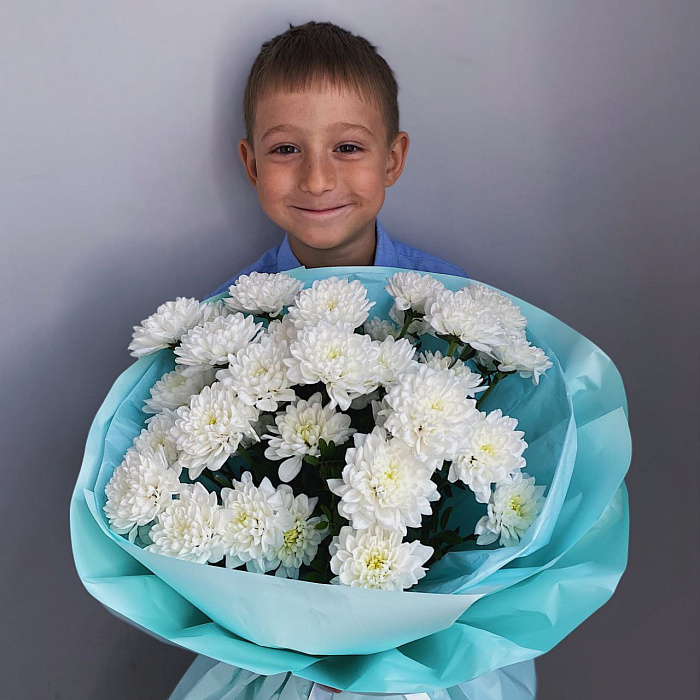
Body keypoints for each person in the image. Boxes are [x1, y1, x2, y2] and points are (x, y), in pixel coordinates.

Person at [184, 19, 536, 700]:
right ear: (251, 162)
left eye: (348, 146)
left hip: (431, 648)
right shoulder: (224, 326)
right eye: (286, 148)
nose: (318, 178)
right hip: (278, 650)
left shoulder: (454, 313)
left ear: (393, 159)